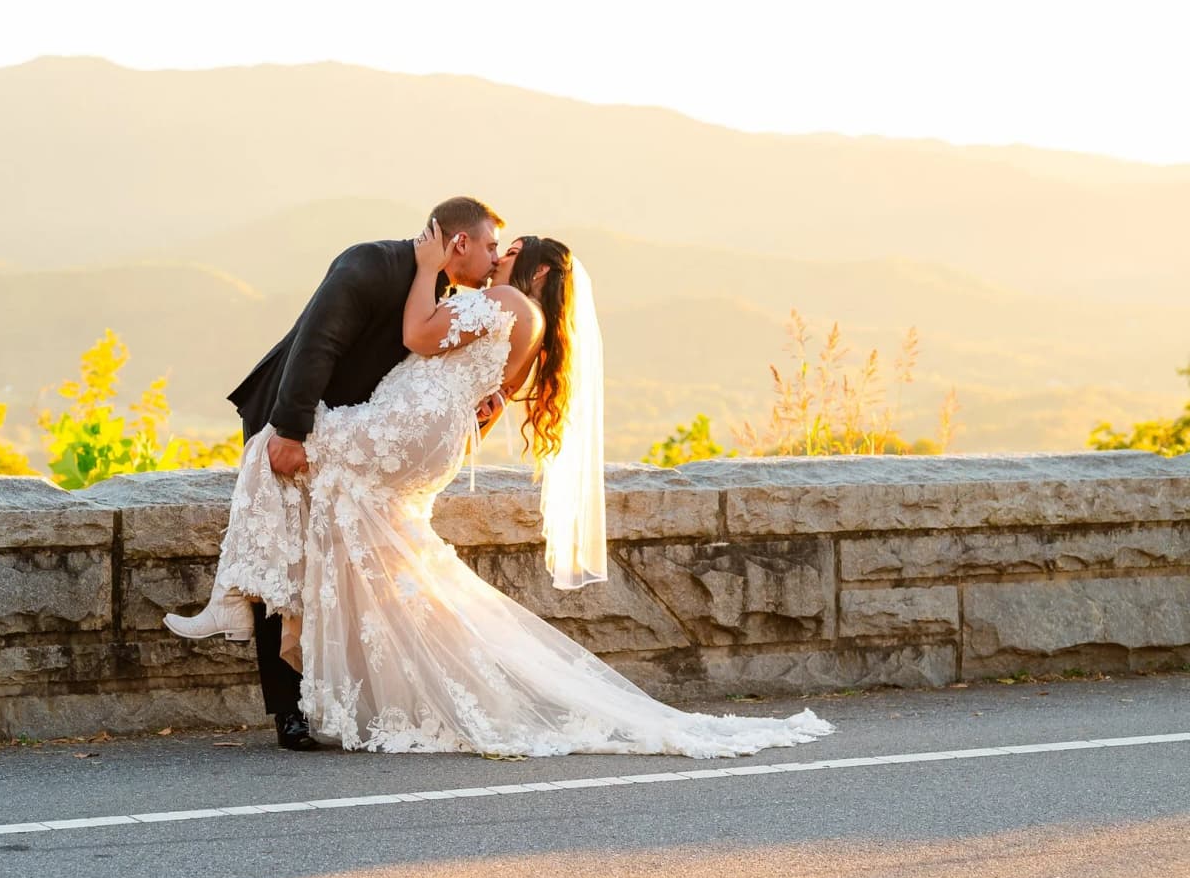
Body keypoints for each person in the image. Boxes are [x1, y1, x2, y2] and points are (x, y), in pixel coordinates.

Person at [170, 225, 834, 757]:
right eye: (495, 248)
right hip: (428, 436)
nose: (495, 262)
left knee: (271, 449)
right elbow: (481, 403)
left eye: (507, 253)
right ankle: (308, 655)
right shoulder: (526, 326)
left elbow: (417, 335)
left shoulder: (509, 303)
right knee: (366, 542)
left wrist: (428, 268)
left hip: (406, 426)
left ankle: (233, 604)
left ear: (536, 274)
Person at [166, 197, 506, 750]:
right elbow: (316, 344)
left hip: (341, 437)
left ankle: (321, 689)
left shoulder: (437, 294)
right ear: (460, 242)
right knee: (287, 545)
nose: (494, 259)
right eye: (490, 246)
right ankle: (288, 711)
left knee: (326, 558)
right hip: (288, 416)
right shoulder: (368, 264)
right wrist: (290, 431)